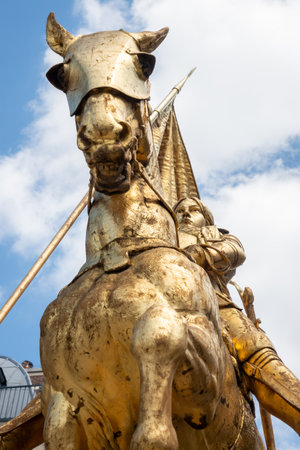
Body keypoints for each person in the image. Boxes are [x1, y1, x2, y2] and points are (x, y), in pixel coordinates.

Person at [174, 197, 300, 435]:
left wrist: (197, 254)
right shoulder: (159, 236)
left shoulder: (216, 235)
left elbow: (235, 253)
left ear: (206, 218)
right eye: (179, 210)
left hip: (215, 303)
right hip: (163, 302)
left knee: (258, 354)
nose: (185, 214)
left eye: (193, 210)